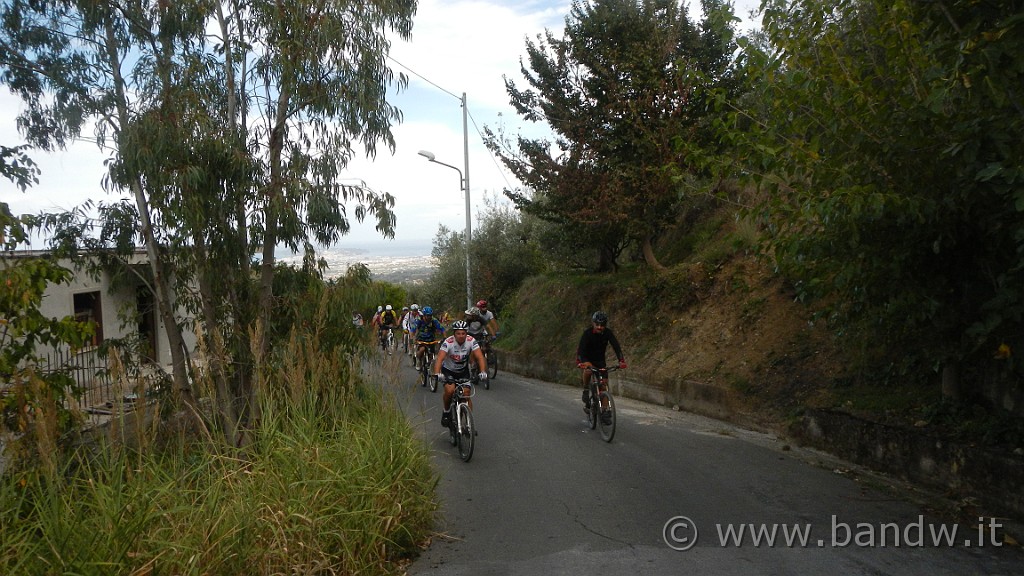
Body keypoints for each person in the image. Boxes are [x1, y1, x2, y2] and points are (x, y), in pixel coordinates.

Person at [434, 320, 487, 427]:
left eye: (463, 333)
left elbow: (480, 357)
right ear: (454, 334)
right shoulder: (448, 342)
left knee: (466, 394)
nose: (461, 336)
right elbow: (439, 359)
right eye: (458, 333)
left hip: (463, 371)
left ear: (466, 333)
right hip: (448, 371)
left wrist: (482, 371)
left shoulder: (471, 341)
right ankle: (446, 411)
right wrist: (437, 373)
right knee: (450, 391)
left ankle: (467, 422)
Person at [575, 311, 627, 416]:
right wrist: (580, 362)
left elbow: (616, 346)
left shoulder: (608, 333)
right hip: (587, 358)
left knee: (603, 385)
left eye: (602, 325)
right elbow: (581, 350)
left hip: (600, 361)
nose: (599, 327)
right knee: (589, 371)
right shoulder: (587, 333)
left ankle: (605, 409)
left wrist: (621, 360)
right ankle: (586, 389)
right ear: (593, 323)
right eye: (597, 324)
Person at [412, 306, 445, 371]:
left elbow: (442, 328)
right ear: (424, 315)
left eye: (430, 315)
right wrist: (413, 337)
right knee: (422, 350)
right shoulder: (419, 320)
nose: (429, 317)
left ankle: (429, 365)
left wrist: (444, 337)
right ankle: (418, 360)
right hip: (421, 339)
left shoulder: (434, 320)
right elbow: (413, 329)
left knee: (432, 353)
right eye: (427, 315)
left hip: (431, 340)